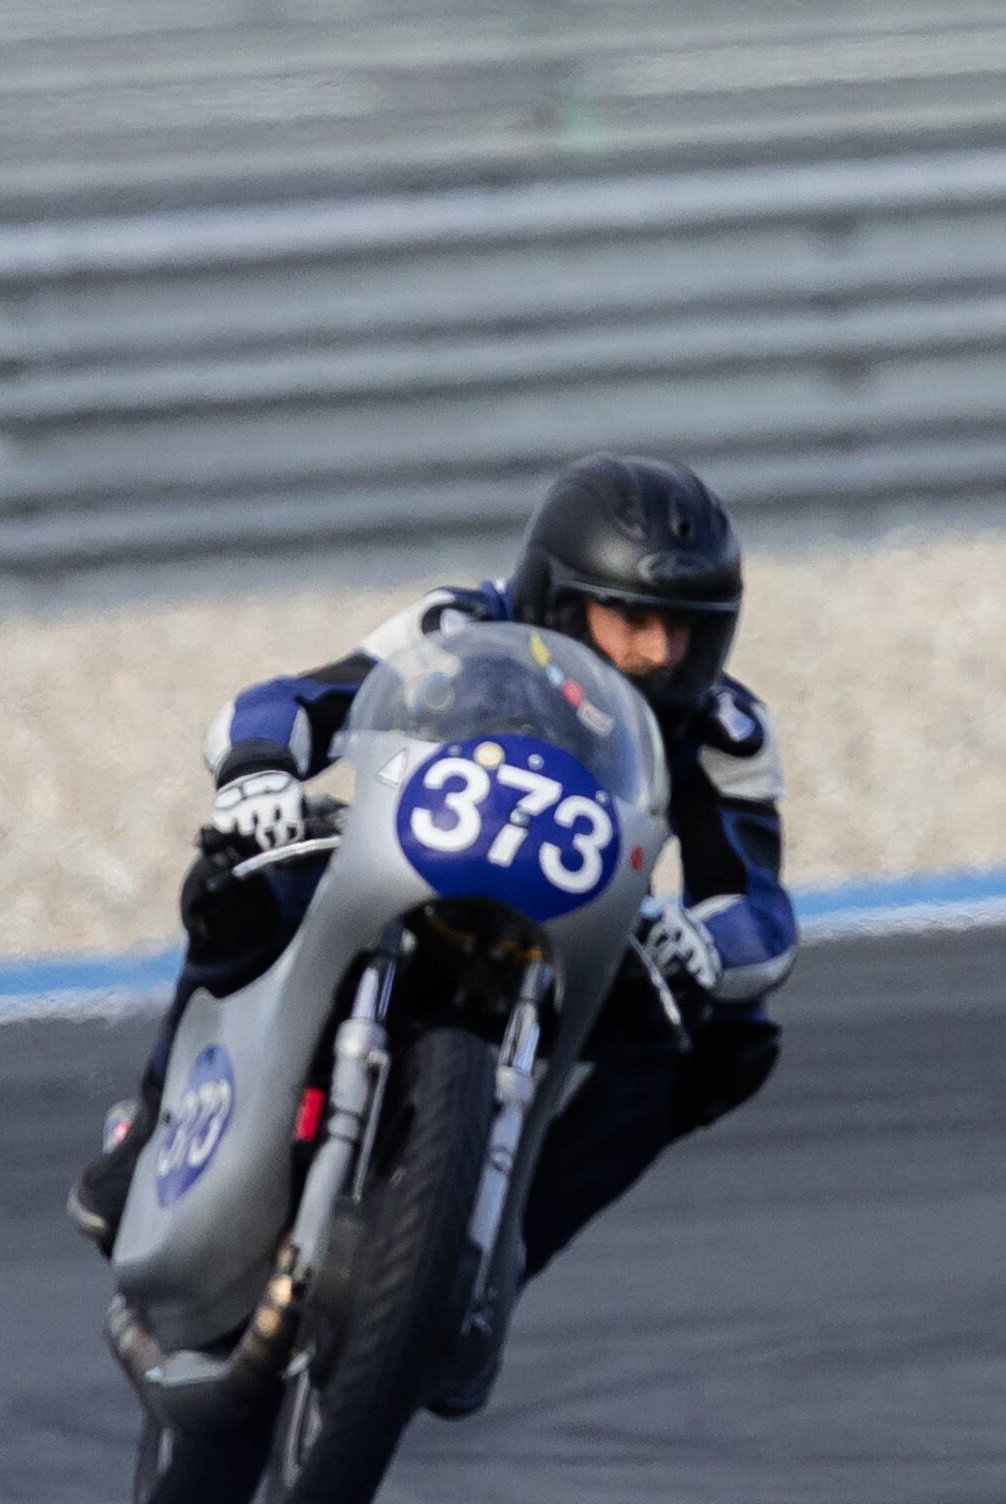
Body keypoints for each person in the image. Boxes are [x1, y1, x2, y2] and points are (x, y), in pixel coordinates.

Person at [69, 453, 794, 1409]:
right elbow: (294, 700)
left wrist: (705, 944)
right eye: (637, 620)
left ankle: (493, 1248)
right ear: (560, 602)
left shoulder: (728, 730)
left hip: (577, 931)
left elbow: (758, 904)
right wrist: (258, 776)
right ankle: (157, 1124)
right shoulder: (458, 628)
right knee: (235, 877)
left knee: (724, 1043)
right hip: (404, 875)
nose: (662, 651)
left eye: (687, 628)